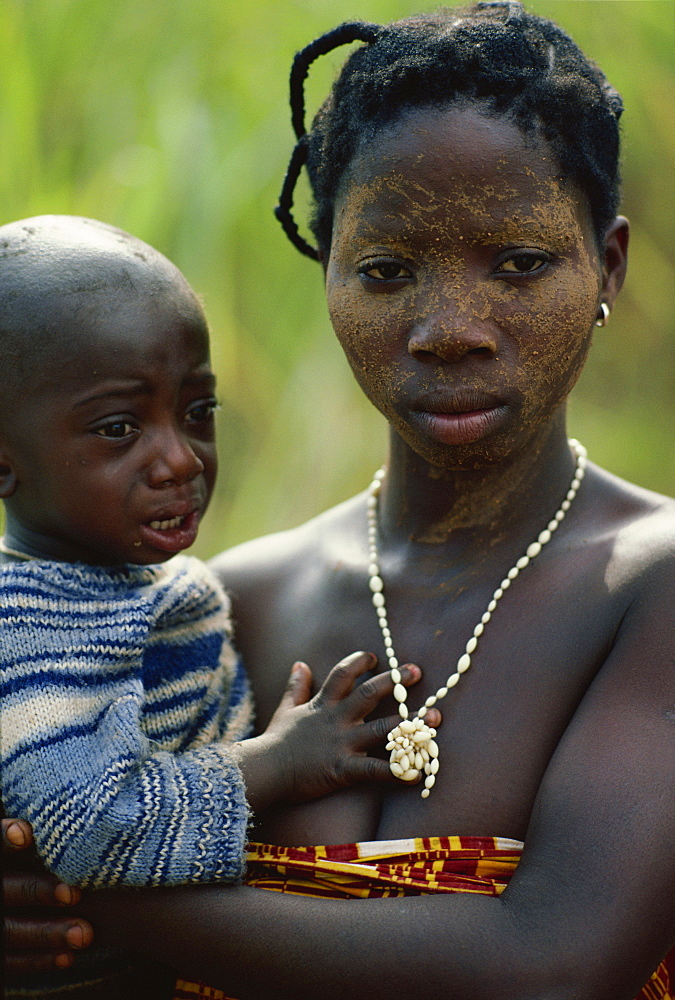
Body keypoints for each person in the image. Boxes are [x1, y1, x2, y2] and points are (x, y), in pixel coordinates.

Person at [4, 4, 674, 998]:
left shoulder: (652, 586)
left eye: (521, 264)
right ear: (327, 272)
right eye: (387, 270)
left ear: (606, 263)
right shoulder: (213, 607)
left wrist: (91, 887)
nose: (451, 329)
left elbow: (556, 966)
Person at [0, 214, 430, 998]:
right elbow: (91, 828)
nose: (178, 459)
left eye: (197, 413)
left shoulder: (148, 587)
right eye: (118, 427)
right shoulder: (29, 623)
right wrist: (276, 763)